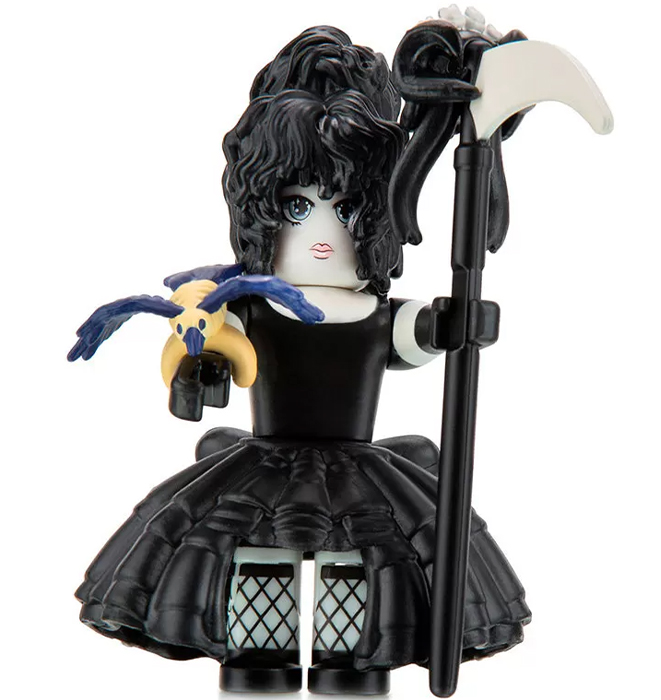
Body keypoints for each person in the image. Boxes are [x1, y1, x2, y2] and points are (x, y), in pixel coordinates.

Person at [75, 25, 530, 695]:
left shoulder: (373, 313)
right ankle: (260, 659)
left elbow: (414, 336)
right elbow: (207, 347)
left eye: (344, 208)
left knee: (357, 564)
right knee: (262, 559)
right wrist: (201, 370)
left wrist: (455, 324)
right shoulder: (252, 307)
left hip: (357, 468)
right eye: (297, 206)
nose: (321, 232)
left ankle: (351, 664)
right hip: (267, 465)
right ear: (262, 211)